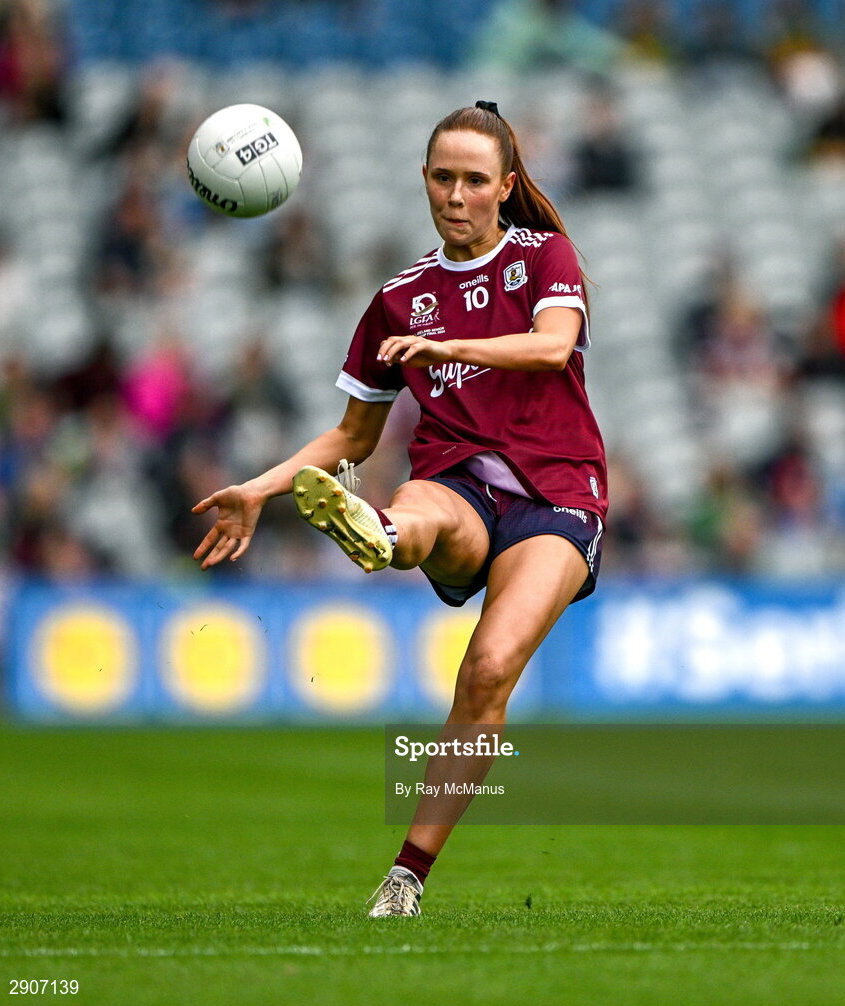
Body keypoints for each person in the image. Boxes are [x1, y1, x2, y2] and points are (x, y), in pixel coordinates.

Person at [191, 101, 609, 917]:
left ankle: (406, 874)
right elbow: (351, 433)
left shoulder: (543, 257)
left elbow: (552, 345)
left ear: (505, 187)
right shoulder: (398, 298)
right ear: (424, 180)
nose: (456, 194)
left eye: (474, 180)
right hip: (458, 487)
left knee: (486, 673)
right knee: (418, 509)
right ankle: (376, 533)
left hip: (558, 499)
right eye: (442, 177)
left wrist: (448, 348)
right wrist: (259, 489)